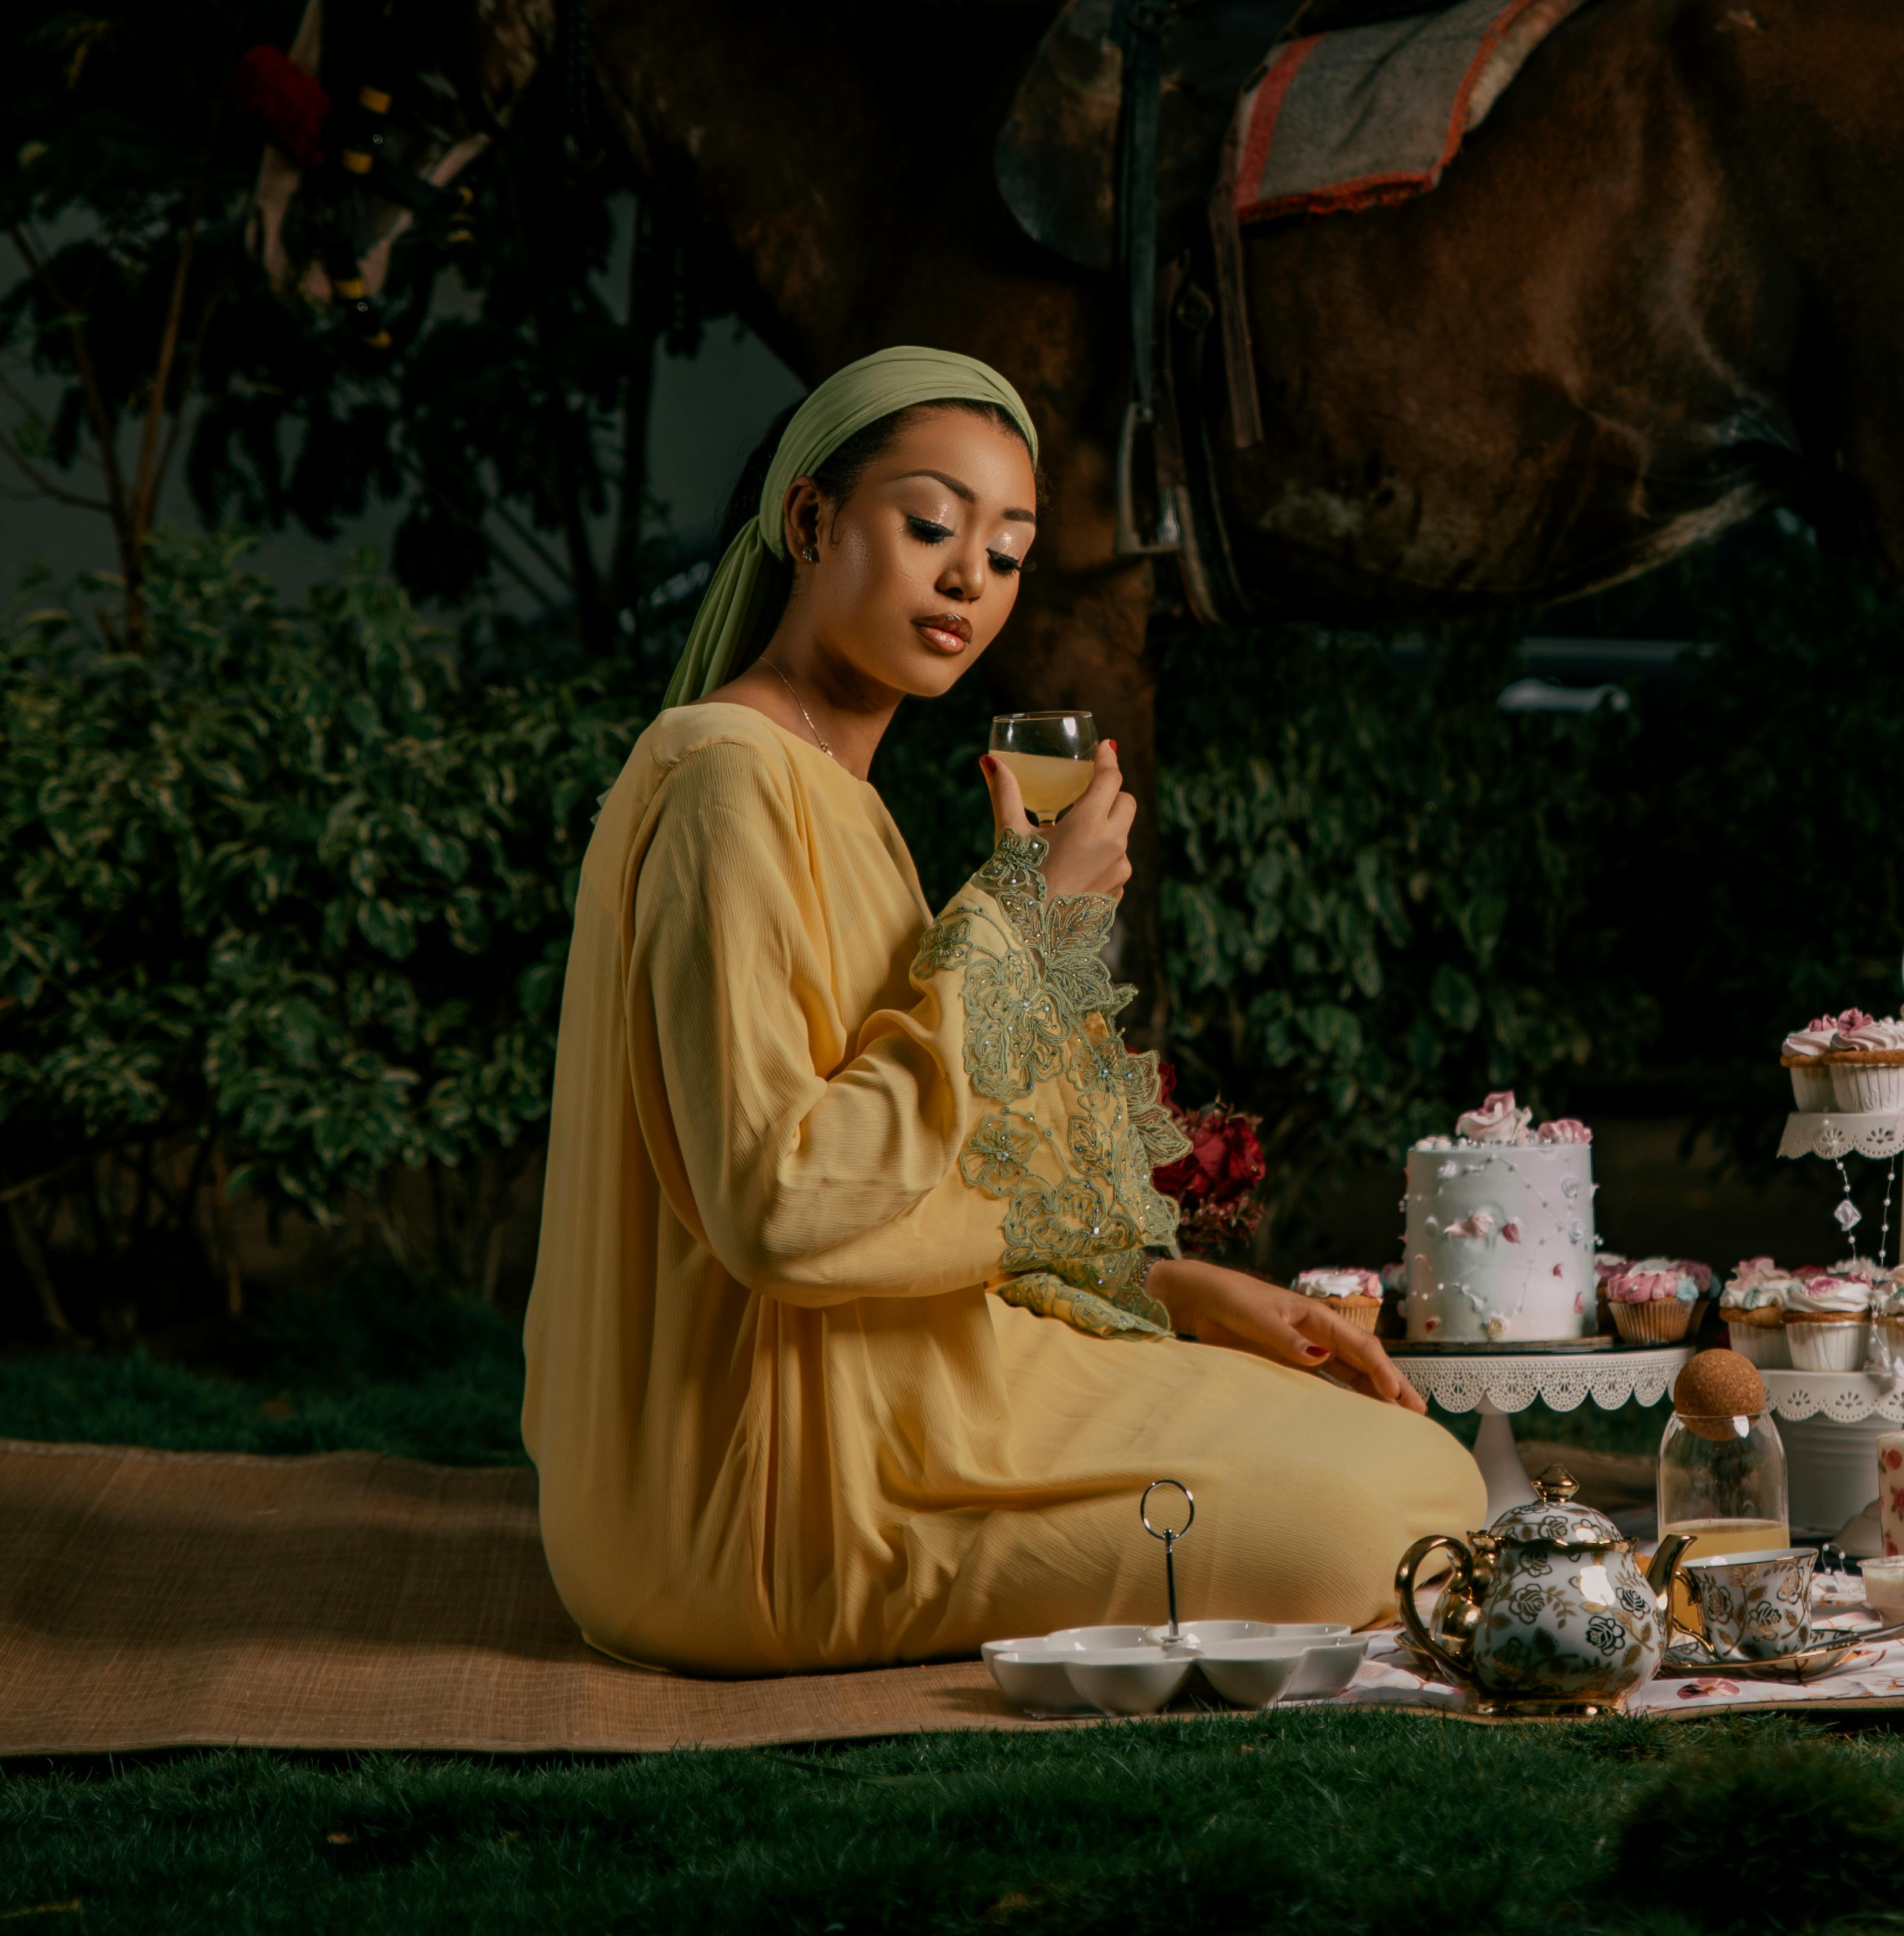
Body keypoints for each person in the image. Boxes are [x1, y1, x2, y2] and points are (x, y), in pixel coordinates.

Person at [520, 346, 1481, 1673]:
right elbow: (785, 1206)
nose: (971, 577)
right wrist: (1018, 925)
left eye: (1010, 550)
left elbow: (917, 1170)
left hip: (910, 1398)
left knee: (1416, 1467)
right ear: (809, 522)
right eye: (932, 525)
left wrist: (1170, 1284)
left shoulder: (833, 796)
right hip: (771, 1498)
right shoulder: (725, 783)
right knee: (1389, 1514)